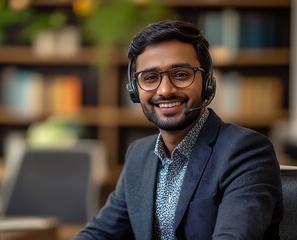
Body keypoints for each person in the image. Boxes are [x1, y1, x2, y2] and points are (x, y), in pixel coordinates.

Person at [73, 20, 283, 239]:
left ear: (207, 83)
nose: (165, 90)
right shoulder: (139, 155)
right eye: (150, 78)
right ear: (135, 91)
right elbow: (100, 233)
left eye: (181, 74)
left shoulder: (246, 151)